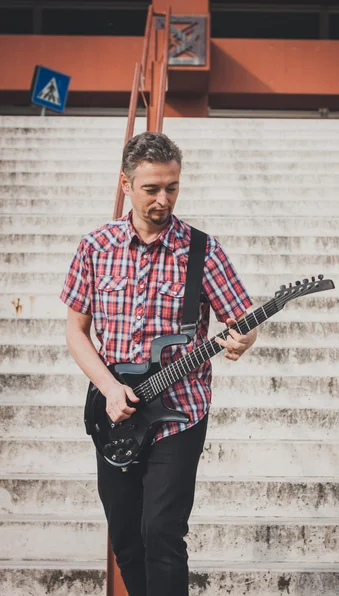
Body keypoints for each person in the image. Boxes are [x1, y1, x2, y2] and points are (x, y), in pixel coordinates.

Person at [60, 132, 257, 596]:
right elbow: (76, 331)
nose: (163, 199)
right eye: (151, 188)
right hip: (115, 412)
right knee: (127, 538)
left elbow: (242, 320)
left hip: (180, 414)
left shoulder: (201, 251)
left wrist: (244, 337)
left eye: (172, 187)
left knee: (163, 533)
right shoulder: (96, 247)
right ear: (125, 184)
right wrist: (108, 387)